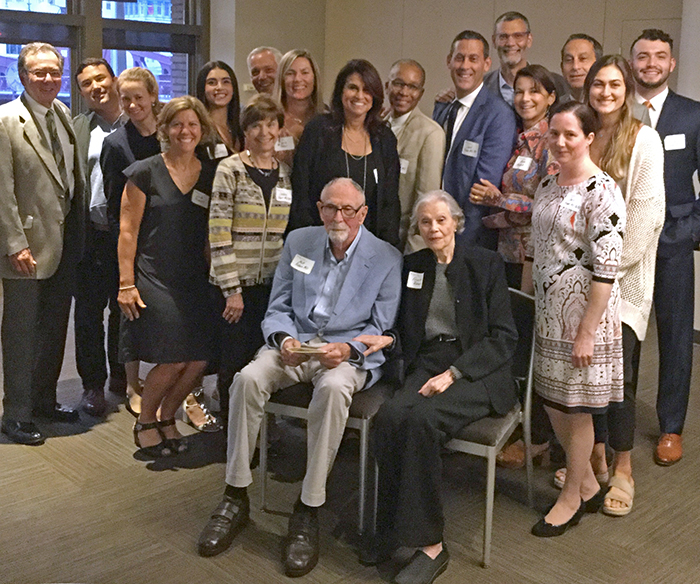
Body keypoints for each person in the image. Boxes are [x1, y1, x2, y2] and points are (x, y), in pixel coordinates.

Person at [197, 177, 402, 578]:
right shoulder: (300, 241)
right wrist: (284, 337)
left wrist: (348, 350)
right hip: (296, 344)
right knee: (247, 379)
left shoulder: (387, 258)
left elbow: (382, 326)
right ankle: (235, 494)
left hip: (345, 351)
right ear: (319, 208)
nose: (337, 217)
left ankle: (308, 508)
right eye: (329, 207)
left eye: (347, 210)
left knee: (334, 388)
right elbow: (279, 304)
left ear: (362, 214)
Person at [359, 190, 517, 584]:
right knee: (391, 416)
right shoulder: (413, 265)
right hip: (428, 361)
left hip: (478, 370)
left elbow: (503, 338)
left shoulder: (486, 263)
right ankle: (393, 528)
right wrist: (389, 340)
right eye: (425, 222)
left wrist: (455, 374)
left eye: (441, 220)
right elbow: (405, 328)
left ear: (457, 223)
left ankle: (431, 545)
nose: (433, 228)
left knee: (423, 421)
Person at [556, 55, 665, 516]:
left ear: (627, 89)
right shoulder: (582, 133)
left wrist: (602, 277)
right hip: (577, 284)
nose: (605, 92)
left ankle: (623, 466)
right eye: (598, 83)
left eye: (615, 84)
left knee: (617, 379)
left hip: (621, 283)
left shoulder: (645, 140)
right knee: (584, 377)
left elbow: (645, 219)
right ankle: (593, 455)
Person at [523, 101, 626, 537]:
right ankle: (586, 480)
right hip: (548, 314)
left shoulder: (602, 191)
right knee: (552, 400)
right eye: (554, 134)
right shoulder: (547, 183)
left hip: (586, 319)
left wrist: (586, 332)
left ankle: (572, 497)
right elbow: (537, 244)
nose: (560, 142)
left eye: (570, 134)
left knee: (576, 407)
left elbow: (607, 266)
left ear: (589, 137)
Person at [117, 96, 218, 458]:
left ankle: (167, 417)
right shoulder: (144, 172)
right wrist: (126, 283)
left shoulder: (211, 174)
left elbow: (212, 232)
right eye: (177, 124)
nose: (185, 131)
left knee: (200, 358)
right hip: (153, 276)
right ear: (165, 129)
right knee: (174, 356)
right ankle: (145, 420)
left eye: (192, 124)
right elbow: (127, 231)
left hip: (195, 278)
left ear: (202, 130)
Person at [0, 42, 86, 445]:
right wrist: (15, 243)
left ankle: (44, 401)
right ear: (23, 76)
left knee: (53, 329)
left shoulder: (63, 114)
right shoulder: (5, 120)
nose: (48, 79)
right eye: (39, 73)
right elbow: (2, 191)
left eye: (54, 72)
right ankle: (15, 413)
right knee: (20, 333)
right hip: (25, 248)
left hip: (63, 244)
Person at [630, 29, 700, 466]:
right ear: (632, 61)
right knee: (625, 334)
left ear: (671, 64)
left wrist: (692, 227)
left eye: (659, 56)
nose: (650, 63)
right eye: (642, 56)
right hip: (627, 243)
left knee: (675, 337)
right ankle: (616, 419)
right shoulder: (618, 112)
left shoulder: (693, 116)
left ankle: (670, 427)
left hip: (674, 242)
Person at [209, 94, 292, 420]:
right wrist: (232, 290)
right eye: (256, 124)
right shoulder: (230, 169)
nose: (264, 132)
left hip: (271, 288)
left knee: (264, 362)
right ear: (246, 129)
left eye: (271, 124)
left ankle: (262, 431)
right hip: (236, 289)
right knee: (234, 363)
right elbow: (218, 231)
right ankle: (235, 438)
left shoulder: (285, 173)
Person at [101, 67, 162, 415]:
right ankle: (132, 384)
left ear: (152, 96)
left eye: (139, 96)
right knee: (132, 315)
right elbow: (113, 206)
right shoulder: (115, 144)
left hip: (171, 238)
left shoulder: (170, 135)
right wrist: (126, 253)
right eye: (126, 98)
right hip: (133, 242)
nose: (133, 104)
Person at [288, 59, 400, 246]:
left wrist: (388, 249)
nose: (359, 95)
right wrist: (306, 243)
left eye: (367, 90)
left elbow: (390, 204)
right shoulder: (318, 130)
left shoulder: (385, 139)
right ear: (341, 92)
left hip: (368, 246)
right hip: (319, 242)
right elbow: (301, 192)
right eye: (353, 88)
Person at [470, 64, 559, 289]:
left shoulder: (553, 143)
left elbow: (549, 206)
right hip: (501, 251)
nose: (525, 98)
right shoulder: (512, 134)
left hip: (531, 257)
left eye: (534, 91)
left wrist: (499, 200)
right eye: (519, 91)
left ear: (551, 98)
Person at [72, 57, 127, 417]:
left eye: (100, 78)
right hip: (89, 234)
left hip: (127, 234)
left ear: (114, 79)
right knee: (89, 314)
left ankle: (122, 376)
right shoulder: (78, 127)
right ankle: (93, 384)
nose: (96, 87)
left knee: (124, 311)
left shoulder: (137, 123)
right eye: (87, 84)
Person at [433, 30, 517, 249]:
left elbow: (481, 192)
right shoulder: (443, 108)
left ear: (487, 64)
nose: (464, 66)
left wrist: (457, 244)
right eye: (459, 58)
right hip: (434, 231)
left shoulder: (498, 114)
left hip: (468, 239)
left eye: (473, 59)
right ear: (449, 61)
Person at [385, 59, 445, 252]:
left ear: (421, 93)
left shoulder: (430, 134)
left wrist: (414, 256)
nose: (404, 92)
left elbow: (425, 202)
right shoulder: (377, 126)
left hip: (403, 244)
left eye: (412, 87)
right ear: (387, 86)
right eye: (398, 84)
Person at [483, 12, 569, 106]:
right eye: (503, 37)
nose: (510, 43)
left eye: (518, 36)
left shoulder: (557, 84)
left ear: (529, 40)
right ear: (494, 41)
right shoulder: (481, 87)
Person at [272, 49, 324, 167]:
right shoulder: (269, 119)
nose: (298, 79)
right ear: (282, 79)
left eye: (304, 73)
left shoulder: (326, 119)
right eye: (290, 73)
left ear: (314, 78)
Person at [196, 60, 243, 157]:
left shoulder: (241, 126)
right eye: (212, 82)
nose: (220, 87)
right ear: (202, 89)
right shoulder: (198, 128)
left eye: (226, 82)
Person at [561, 34, 603, 102]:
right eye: (569, 60)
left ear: (599, 65)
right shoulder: (554, 108)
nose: (575, 67)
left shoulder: (609, 106)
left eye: (583, 58)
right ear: (562, 67)